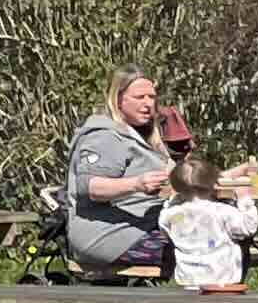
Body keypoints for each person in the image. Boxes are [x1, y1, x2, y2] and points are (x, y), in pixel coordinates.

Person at [63, 70, 176, 279]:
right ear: (118, 99)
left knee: (216, 236)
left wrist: (228, 176)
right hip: (109, 236)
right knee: (203, 246)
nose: (148, 103)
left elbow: (180, 178)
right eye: (139, 97)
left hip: (144, 227)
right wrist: (137, 184)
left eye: (151, 97)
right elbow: (91, 187)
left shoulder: (141, 135)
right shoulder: (105, 135)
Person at [158, 156, 258, 303]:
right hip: (224, 278)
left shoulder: (171, 216)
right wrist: (245, 199)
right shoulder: (223, 212)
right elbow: (248, 228)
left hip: (190, 279)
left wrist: (174, 199)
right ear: (214, 184)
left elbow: (165, 222)